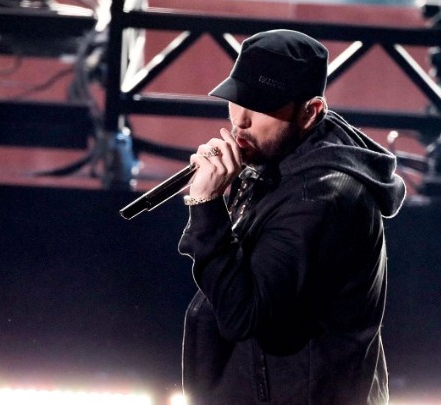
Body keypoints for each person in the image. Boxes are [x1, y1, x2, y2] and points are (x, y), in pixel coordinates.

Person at [177, 29, 406, 404]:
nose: (240, 121)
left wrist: (206, 203)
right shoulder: (280, 160)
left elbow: (242, 315)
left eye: (261, 106)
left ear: (310, 112)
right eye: (237, 100)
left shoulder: (320, 199)